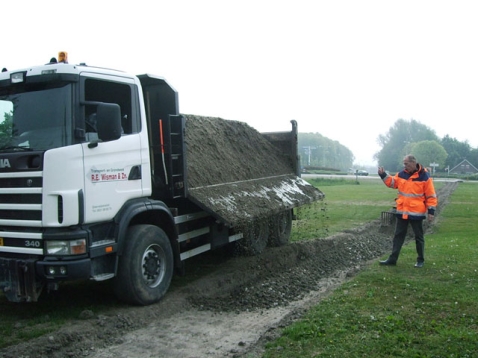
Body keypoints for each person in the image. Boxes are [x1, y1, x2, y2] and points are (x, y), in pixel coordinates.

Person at [378, 155, 437, 268]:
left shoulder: (425, 176)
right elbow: (392, 183)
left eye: (406, 163)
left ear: (414, 162)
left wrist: (431, 211)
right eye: (404, 164)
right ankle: (392, 259)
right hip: (402, 211)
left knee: (418, 237)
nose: (404, 166)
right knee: (398, 236)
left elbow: (431, 196)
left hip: (416, 213)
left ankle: (420, 260)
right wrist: (383, 175)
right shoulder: (401, 174)